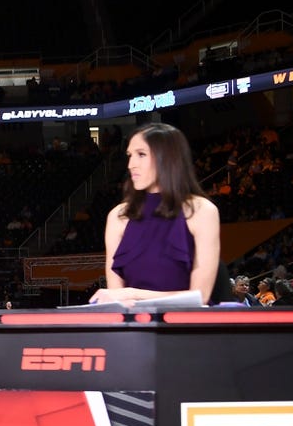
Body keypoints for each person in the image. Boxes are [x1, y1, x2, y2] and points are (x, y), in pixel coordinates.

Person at [90, 123, 220, 306]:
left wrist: (131, 294)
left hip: (186, 329)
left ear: (168, 158)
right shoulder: (118, 217)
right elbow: (116, 299)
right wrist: (125, 296)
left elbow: (200, 297)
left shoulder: (202, 211)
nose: (130, 165)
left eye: (141, 154)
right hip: (133, 329)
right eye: (129, 155)